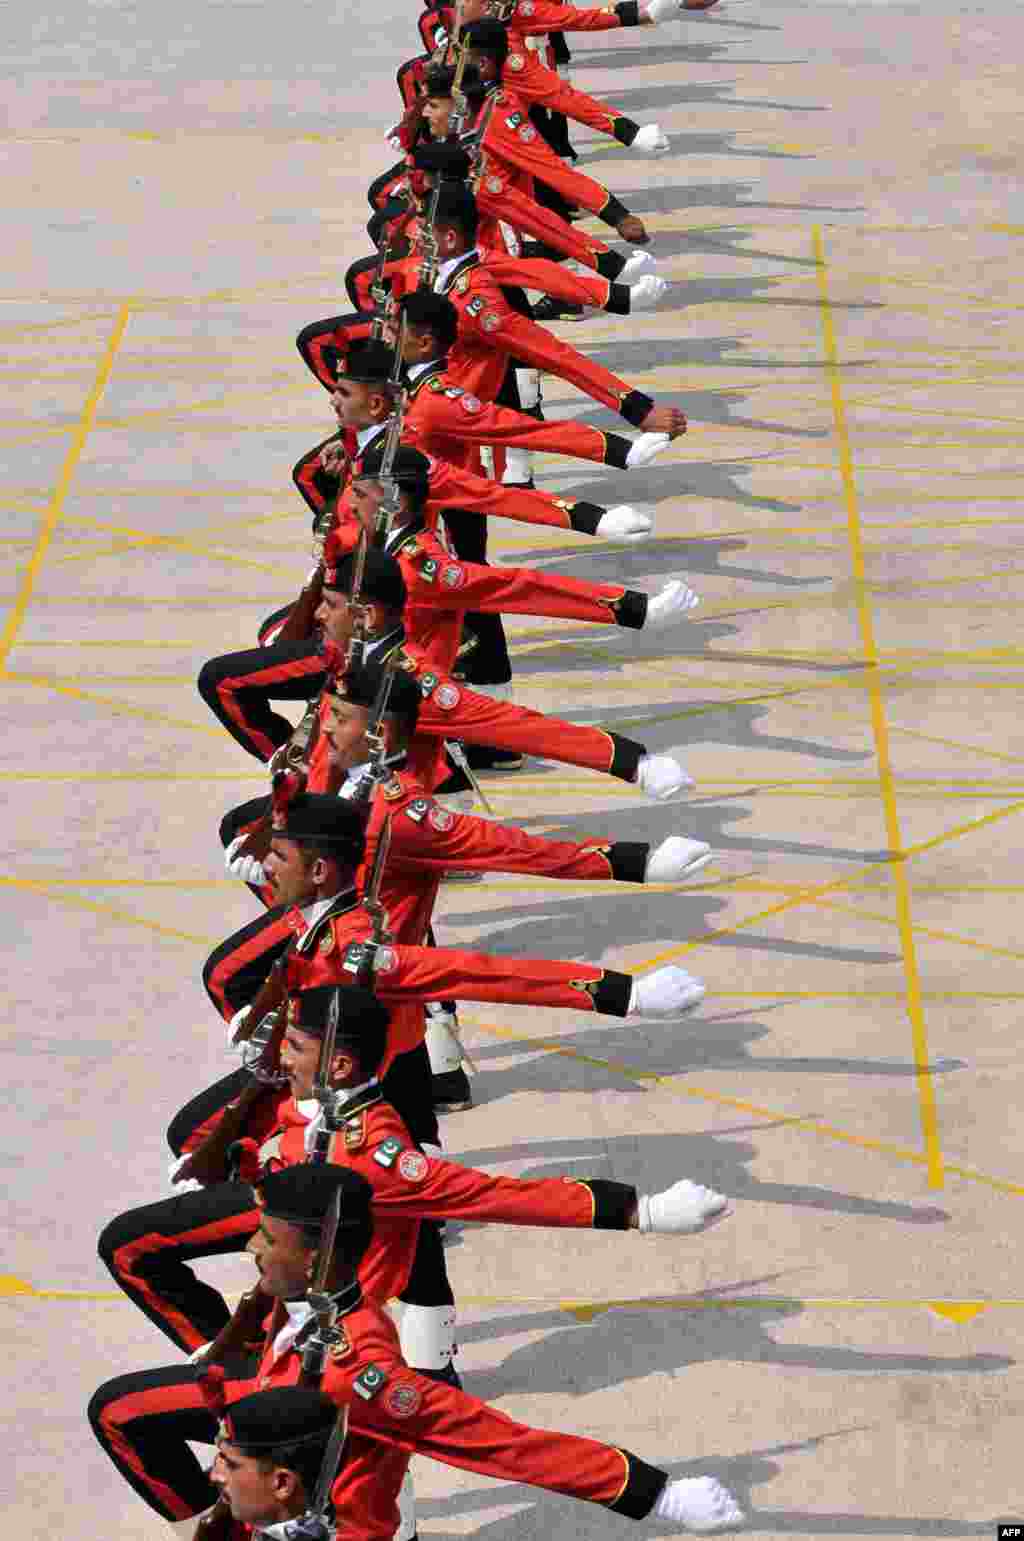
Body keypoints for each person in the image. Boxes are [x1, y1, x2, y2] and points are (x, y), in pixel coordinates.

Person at [89, 1164, 745, 1535]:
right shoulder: (303, 1304)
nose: (252, 1249)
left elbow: (496, 1440)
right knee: (120, 1408)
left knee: (122, 1409)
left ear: (314, 1255)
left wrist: (651, 1492)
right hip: (277, 1476)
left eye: (265, 1239)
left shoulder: (359, 1372)